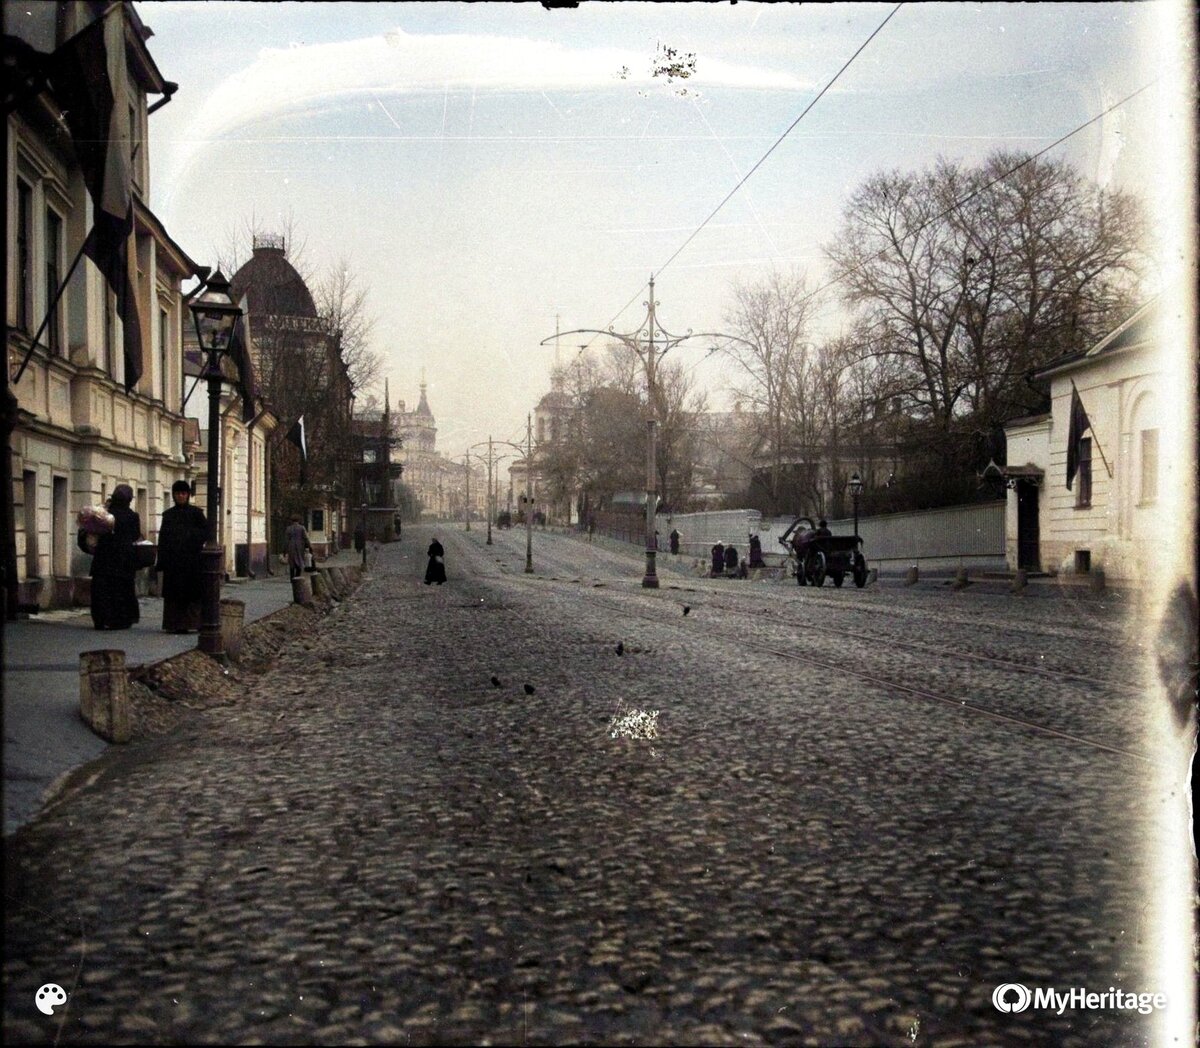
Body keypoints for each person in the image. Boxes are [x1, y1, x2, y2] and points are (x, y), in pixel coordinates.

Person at [156, 480, 207, 633]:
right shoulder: (168, 515)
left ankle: (193, 623)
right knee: (174, 594)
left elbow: (206, 533)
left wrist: (192, 538)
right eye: (177, 493)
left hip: (192, 561)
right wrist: (162, 561)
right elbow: (163, 539)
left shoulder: (197, 514)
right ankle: (174, 624)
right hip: (173, 563)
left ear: (188, 495)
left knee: (192, 594)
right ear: (174, 495)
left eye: (183, 493)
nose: (180, 496)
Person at [88, 484, 142, 630]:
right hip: (123, 559)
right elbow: (135, 535)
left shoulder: (104, 514)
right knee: (121, 591)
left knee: (102, 590)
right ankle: (120, 620)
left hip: (103, 558)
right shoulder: (132, 516)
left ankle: (101, 619)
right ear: (129, 499)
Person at [284, 516, 312, 580]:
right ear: (298, 521)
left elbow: (286, 540)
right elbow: (306, 538)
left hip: (291, 546)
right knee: (299, 561)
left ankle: (292, 577)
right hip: (300, 546)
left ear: (292, 521)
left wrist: (285, 550)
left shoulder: (289, 528)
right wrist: (309, 546)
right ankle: (297, 576)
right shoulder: (302, 528)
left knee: (292, 562)